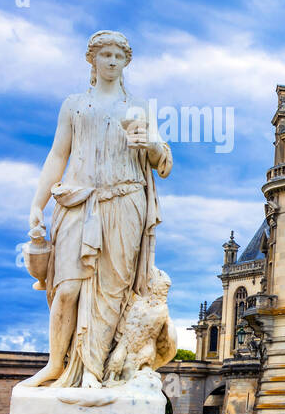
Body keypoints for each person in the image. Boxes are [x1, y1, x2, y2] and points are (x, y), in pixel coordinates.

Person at [21, 30, 172, 389]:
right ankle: (56, 365)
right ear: (92, 59)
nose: (111, 61)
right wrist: (36, 204)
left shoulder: (139, 109)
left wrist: (151, 143)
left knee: (112, 292)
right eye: (104, 54)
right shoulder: (74, 104)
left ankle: (93, 370)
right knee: (67, 288)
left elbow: (163, 164)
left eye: (118, 56)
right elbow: (58, 154)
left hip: (125, 202)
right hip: (79, 202)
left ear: (126, 62)